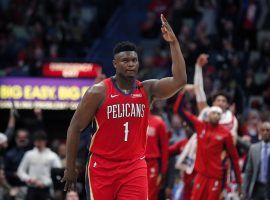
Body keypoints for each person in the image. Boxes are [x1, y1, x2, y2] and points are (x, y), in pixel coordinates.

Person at [61, 14, 187, 200]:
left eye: (134, 60)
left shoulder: (147, 89)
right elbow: (75, 127)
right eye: (125, 61)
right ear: (115, 64)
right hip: (102, 167)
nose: (130, 64)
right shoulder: (98, 92)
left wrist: (174, 43)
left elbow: (180, 81)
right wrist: (70, 168)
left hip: (134, 166)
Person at [175, 93, 242, 200]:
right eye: (213, 113)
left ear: (220, 117)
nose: (215, 115)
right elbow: (178, 110)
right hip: (200, 175)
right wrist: (182, 92)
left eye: (218, 114)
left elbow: (234, 157)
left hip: (216, 177)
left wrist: (239, 181)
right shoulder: (200, 126)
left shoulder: (226, 133)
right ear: (208, 114)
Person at [17, 131, 62, 200]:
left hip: (46, 188)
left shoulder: (52, 156)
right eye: (36, 141)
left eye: (40, 141)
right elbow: (20, 171)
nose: (38, 143)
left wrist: (46, 183)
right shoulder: (29, 154)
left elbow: (58, 174)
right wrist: (28, 179)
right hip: (32, 187)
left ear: (45, 141)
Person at [242, 121, 270, 200]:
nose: (265, 132)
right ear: (260, 132)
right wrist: (244, 190)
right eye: (263, 130)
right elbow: (248, 171)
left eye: (268, 130)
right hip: (256, 187)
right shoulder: (254, 148)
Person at [145, 111, 168, 200]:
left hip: (151, 164)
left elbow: (164, 148)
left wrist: (163, 172)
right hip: (134, 163)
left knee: (150, 195)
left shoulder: (158, 122)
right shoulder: (132, 121)